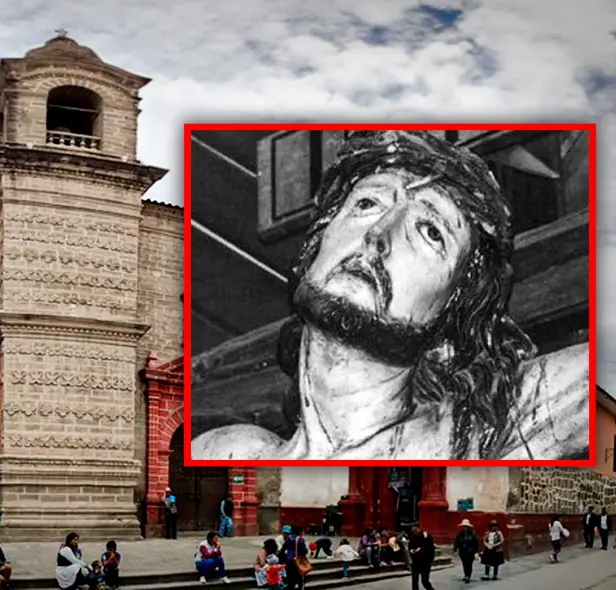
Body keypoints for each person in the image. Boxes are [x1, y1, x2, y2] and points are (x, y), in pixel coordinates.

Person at [192, 129, 589, 461]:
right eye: (368, 203)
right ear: (316, 248)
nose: (378, 235)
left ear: (452, 317)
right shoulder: (227, 450)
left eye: (430, 232)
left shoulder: (469, 438)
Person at [280, 525, 308, 590]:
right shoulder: (300, 539)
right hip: (297, 563)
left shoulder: (288, 539)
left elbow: (282, 551)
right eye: (302, 531)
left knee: (291, 582)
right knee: (300, 581)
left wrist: (283, 560)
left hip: (289, 563)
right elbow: (304, 551)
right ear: (299, 532)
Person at [408, 525, 435, 590]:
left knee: (424, 580)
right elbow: (410, 546)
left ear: (419, 529)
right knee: (414, 580)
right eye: (413, 531)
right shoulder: (412, 537)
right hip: (416, 561)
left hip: (425, 561)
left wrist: (421, 549)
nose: (414, 532)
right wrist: (411, 550)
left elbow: (431, 549)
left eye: (415, 530)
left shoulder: (426, 536)